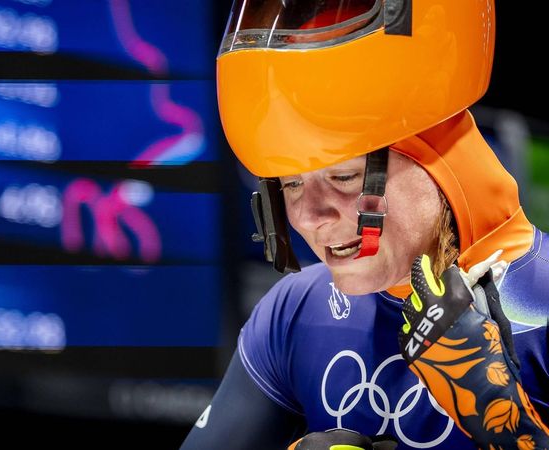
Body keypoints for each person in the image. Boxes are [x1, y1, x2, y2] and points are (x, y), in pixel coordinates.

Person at [180, 0, 549, 449]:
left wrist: (506, 422)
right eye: (291, 185)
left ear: (442, 162)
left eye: (344, 176)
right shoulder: (293, 312)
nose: (309, 217)